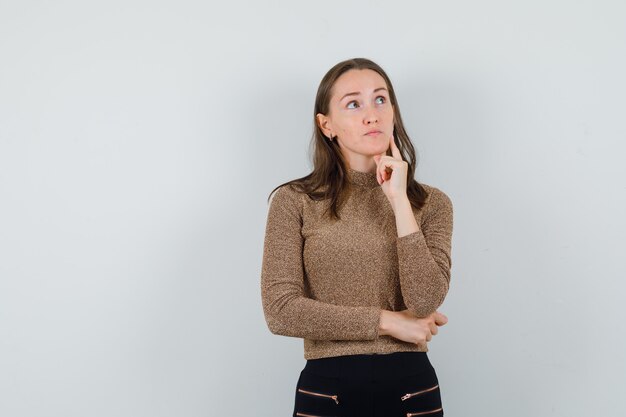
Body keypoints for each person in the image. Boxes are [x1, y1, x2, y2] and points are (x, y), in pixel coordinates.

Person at [260, 57, 454, 417]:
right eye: (354, 103)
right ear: (326, 125)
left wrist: (398, 202)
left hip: (411, 390)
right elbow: (281, 311)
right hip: (327, 390)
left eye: (381, 99)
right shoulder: (294, 201)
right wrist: (387, 321)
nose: (372, 114)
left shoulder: (431, 203)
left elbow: (425, 300)